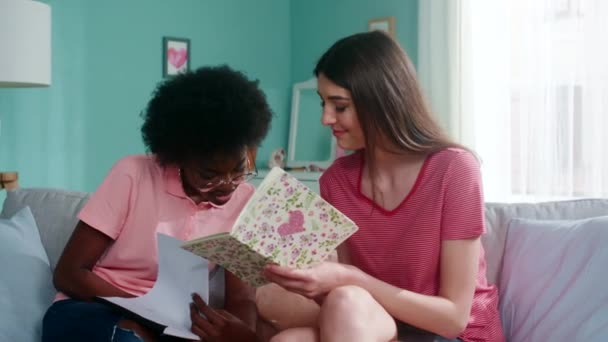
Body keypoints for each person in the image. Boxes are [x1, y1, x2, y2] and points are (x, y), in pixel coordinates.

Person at [263, 31, 505, 342]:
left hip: (453, 335)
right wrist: (311, 280)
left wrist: (348, 278)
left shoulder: (454, 168)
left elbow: (454, 318)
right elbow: (351, 300)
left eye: (339, 106)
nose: (325, 118)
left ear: (380, 100)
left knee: (346, 300)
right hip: (382, 327)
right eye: (324, 104)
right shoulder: (336, 180)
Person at [41, 65, 273, 342]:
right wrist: (147, 312)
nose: (227, 185)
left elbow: (242, 300)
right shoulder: (133, 174)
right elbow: (69, 274)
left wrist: (238, 334)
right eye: (209, 175)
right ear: (179, 156)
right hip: (93, 310)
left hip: (174, 328)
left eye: (239, 170)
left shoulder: (247, 203)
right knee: (131, 335)